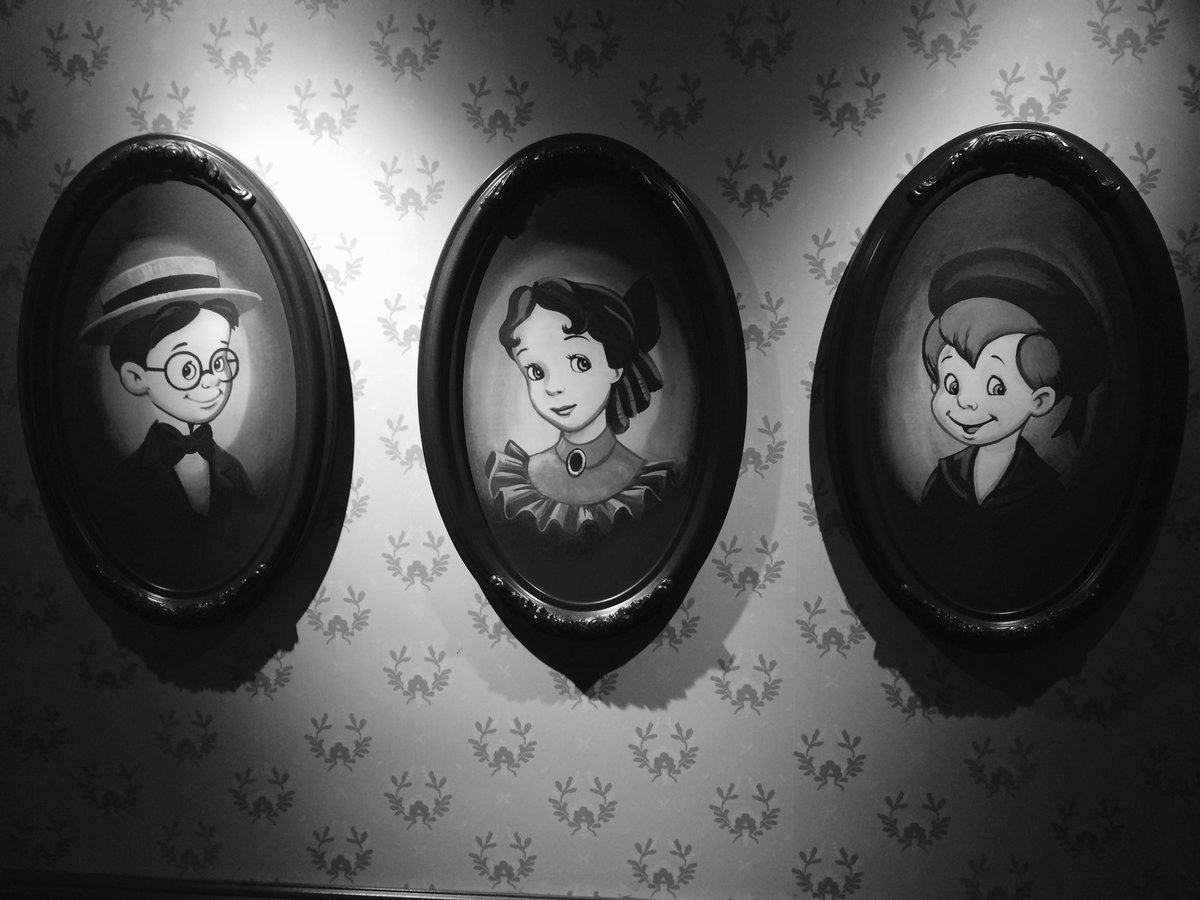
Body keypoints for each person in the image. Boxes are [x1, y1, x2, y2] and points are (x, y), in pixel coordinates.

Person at [916, 247, 1107, 610]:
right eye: (953, 384)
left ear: (1041, 399)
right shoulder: (944, 479)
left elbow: (1050, 571)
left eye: (996, 386)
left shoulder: (1045, 495)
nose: (966, 402)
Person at [79, 238, 262, 570]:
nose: (212, 380)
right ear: (136, 377)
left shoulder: (233, 472)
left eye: (219, 362)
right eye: (187, 369)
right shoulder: (125, 487)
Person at [484, 275, 682, 537]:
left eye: (579, 362)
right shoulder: (515, 482)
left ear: (615, 368)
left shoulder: (651, 487)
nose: (553, 386)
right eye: (535, 371)